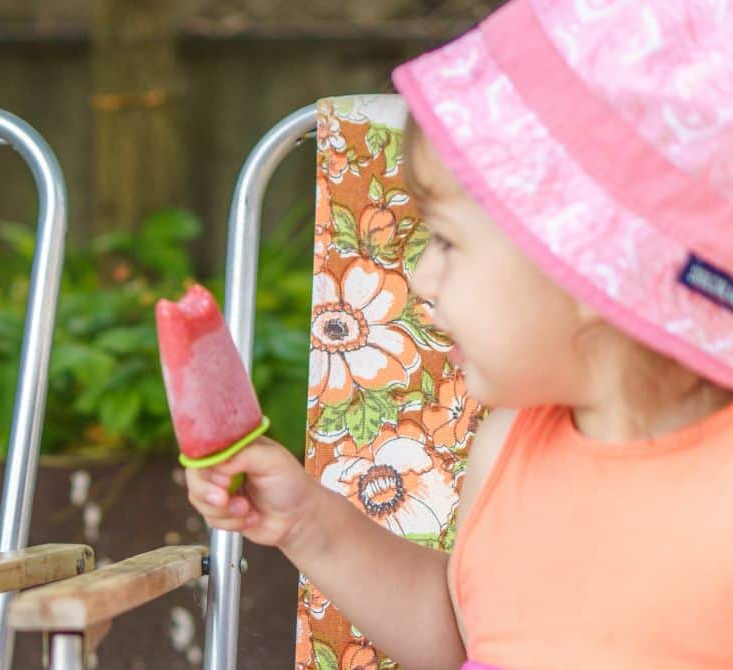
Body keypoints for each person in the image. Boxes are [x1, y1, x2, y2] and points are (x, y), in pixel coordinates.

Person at [186, 0, 733, 668]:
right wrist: (311, 525)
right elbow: (457, 632)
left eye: (445, 240)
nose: (420, 278)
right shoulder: (508, 443)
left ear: (593, 264)